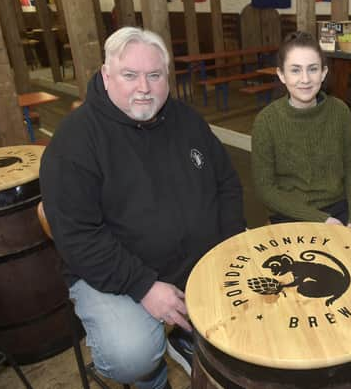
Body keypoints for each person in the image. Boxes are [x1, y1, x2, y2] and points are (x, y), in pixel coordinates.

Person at [39, 27, 245, 389]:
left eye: (154, 75)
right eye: (129, 75)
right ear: (106, 75)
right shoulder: (74, 142)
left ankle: (184, 337)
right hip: (116, 274)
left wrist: (230, 247)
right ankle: (154, 380)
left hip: (197, 259)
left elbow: (226, 182)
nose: (144, 88)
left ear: (167, 76)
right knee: (130, 355)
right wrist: (144, 286)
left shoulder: (187, 120)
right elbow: (78, 237)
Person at [251, 31, 351, 243]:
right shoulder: (266, 121)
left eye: (313, 69)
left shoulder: (340, 112)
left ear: (323, 73)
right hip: (291, 213)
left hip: (338, 208)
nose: (305, 79)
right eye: (295, 70)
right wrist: (319, 220)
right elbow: (266, 190)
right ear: (281, 75)